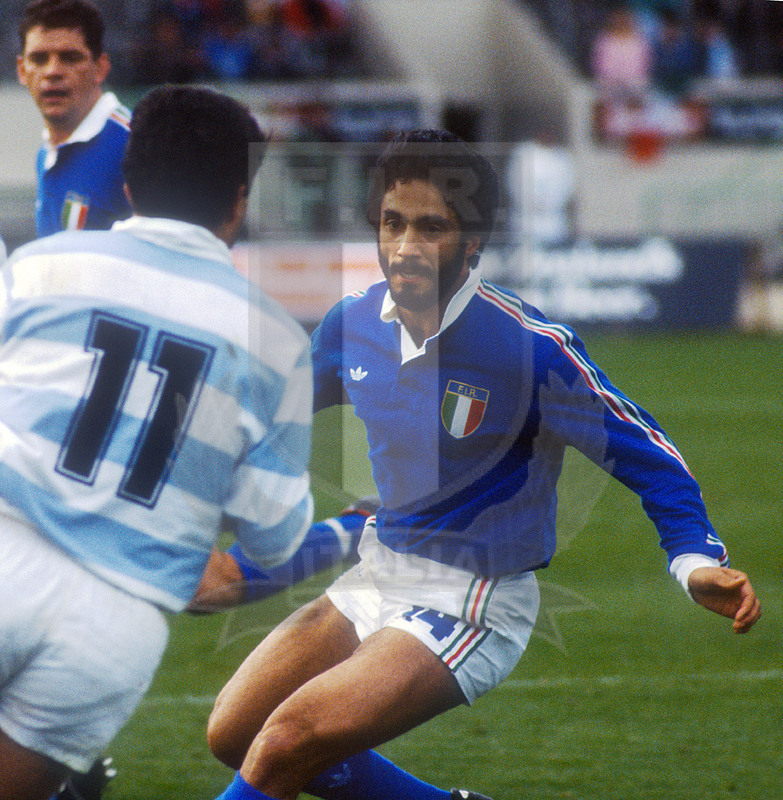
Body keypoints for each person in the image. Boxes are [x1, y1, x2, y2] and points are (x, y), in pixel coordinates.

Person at [206, 129, 761, 800]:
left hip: (474, 599)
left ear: (472, 241)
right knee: (234, 733)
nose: (405, 245)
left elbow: (649, 456)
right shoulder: (352, 323)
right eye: (392, 222)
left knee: (284, 742)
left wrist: (693, 562)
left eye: (431, 227)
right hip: (381, 569)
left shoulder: (530, 349)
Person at [0, 84, 314, 800]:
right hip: (114, 629)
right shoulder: (275, 341)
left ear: (128, 184)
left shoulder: (40, 269)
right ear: (238, 202)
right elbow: (274, 537)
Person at [17, 0, 131, 237]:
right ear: (22, 70)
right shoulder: (46, 154)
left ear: (100, 68)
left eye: (70, 58)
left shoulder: (136, 145)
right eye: (39, 59)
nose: (52, 72)